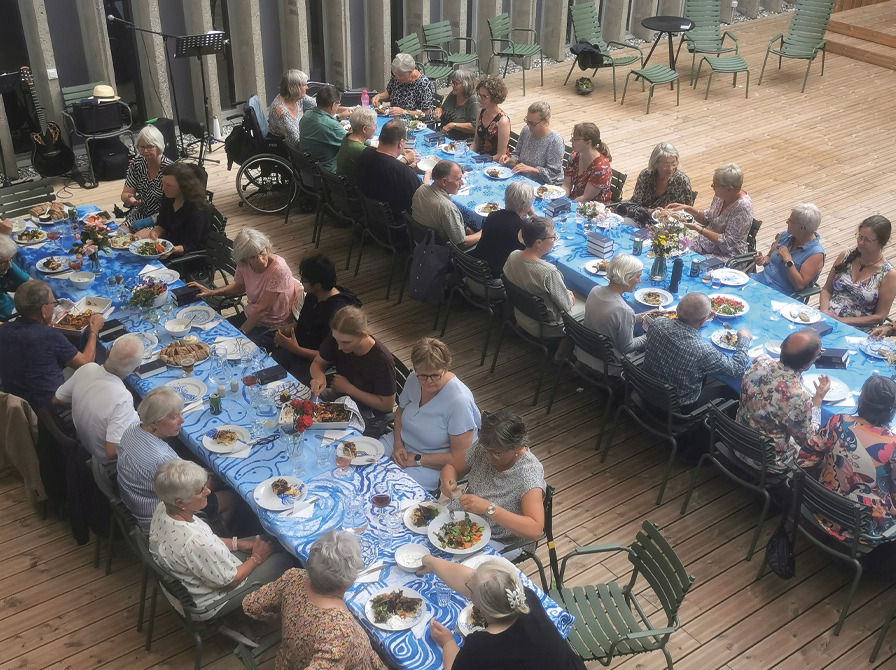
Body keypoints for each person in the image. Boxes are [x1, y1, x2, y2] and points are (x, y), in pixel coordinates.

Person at [149, 459, 291, 619]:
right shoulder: (195, 542)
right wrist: (257, 557)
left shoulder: (163, 508)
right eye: (200, 490)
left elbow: (208, 541)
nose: (208, 491)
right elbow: (232, 581)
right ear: (180, 502)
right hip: (209, 601)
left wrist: (239, 544)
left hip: (193, 580)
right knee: (287, 561)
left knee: (267, 540)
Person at [242, 529, 388, 670]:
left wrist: (285, 618)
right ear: (348, 579)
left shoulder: (294, 577)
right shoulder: (340, 631)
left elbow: (251, 604)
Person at [419, 556, 586, 670]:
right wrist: (432, 562)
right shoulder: (526, 597)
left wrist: (447, 642)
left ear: (483, 607)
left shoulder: (480, 646)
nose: (467, 587)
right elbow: (471, 580)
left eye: (470, 590)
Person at [117, 387, 235, 531]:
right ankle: (214, 534)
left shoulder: (132, 428)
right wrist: (213, 482)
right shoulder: (163, 459)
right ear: (155, 422)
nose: (182, 420)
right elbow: (189, 497)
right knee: (233, 496)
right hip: (160, 519)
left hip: (135, 500)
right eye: (173, 417)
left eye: (180, 413)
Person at [798, 375, 896, 539]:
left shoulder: (838, 421)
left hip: (821, 505)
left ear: (861, 401)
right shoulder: (892, 445)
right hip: (862, 530)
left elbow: (806, 455)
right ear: (891, 410)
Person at [382, 338, 480, 492]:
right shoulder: (414, 378)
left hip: (431, 462)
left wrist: (417, 459)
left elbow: (460, 459)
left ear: (446, 369)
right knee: (362, 461)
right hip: (401, 441)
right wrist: (398, 444)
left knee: (393, 490)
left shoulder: (459, 402)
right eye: (423, 376)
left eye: (435, 376)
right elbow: (400, 410)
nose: (428, 382)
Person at [439, 410, 544, 548]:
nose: (489, 456)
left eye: (497, 453)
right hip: (463, 520)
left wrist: (490, 509)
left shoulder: (529, 473)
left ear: (517, 448)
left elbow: (535, 530)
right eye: (487, 450)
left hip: (500, 539)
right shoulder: (486, 447)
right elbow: (451, 466)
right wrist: (447, 482)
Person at [0, 280, 104, 410]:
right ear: (43, 310)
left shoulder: (4, 330)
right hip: (50, 409)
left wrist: (51, 324)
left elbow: (30, 335)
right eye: (53, 303)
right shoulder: (49, 336)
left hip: (16, 403)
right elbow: (87, 364)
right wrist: (94, 330)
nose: (54, 306)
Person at [191, 228, 298, 351]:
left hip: (272, 325)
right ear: (244, 258)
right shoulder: (243, 264)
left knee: (231, 349)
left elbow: (262, 310)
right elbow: (240, 286)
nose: (260, 260)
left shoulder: (278, 269)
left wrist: (240, 333)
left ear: (266, 248)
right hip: (251, 315)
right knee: (210, 335)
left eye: (262, 252)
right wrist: (213, 292)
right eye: (253, 257)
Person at [737, 329, 830, 470]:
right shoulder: (798, 397)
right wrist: (818, 400)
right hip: (765, 461)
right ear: (807, 364)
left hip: (738, 441)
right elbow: (807, 440)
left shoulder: (760, 361)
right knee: (824, 449)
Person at [644, 292, 752, 412]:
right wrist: (744, 339)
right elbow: (736, 369)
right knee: (733, 392)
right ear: (703, 321)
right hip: (677, 410)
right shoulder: (701, 350)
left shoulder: (657, 323)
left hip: (646, 392)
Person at [53, 333, 144, 468]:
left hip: (84, 445)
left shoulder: (87, 368)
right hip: (107, 465)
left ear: (107, 354)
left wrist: (83, 403)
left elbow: (57, 400)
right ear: (136, 369)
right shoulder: (122, 398)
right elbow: (112, 453)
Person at [309, 306, 396, 437]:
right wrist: (319, 377)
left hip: (367, 412)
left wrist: (349, 389)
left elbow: (387, 405)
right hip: (342, 399)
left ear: (364, 335)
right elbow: (318, 363)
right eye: (336, 340)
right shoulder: (338, 338)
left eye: (346, 342)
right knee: (305, 413)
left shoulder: (381, 361)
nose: (339, 346)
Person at [274, 254, 362, 383]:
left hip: (314, 363)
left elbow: (331, 356)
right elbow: (305, 323)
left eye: (304, 279)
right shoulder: (313, 295)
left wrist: (294, 348)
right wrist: (287, 330)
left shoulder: (338, 313)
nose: (301, 281)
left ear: (318, 285)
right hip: (295, 351)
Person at [503, 216, 577, 338]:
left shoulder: (513, 256)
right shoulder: (549, 272)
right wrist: (568, 294)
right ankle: (563, 353)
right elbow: (567, 305)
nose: (554, 240)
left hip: (520, 314)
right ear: (538, 243)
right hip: (544, 326)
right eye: (552, 237)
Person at [819, 215, 896, 330]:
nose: (861, 242)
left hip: (855, 329)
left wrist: (841, 321)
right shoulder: (845, 256)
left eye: (867, 240)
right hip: (827, 317)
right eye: (860, 237)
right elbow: (826, 289)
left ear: (881, 242)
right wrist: (824, 311)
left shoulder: (888, 275)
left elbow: (880, 316)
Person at [580, 254, 649, 376]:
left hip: (587, 353)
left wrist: (643, 316)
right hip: (610, 366)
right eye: (638, 277)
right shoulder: (624, 310)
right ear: (626, 277)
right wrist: (649, 336)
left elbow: (613, 320)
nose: (640, 281)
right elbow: (627, 347)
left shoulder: (595, 290)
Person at [669, 163, 753, 260]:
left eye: (715, 184)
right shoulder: (721, 195)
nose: (712, 186)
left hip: (727, 255)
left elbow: (728, 242)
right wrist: (688, 208)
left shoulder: (743, 208)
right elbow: (709, 217)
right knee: (675, 253)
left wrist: (699, 229)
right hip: (706, 243)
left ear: (729, 189)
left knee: (694, 264)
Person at [135, 162, 211, 260]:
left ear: (184, 187)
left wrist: (174, 249)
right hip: (169, 245)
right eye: (163, 183)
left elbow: (193, 245)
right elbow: (162, 223)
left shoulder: (197, 210)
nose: (163, 188)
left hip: (188, 257)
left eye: (169, 185)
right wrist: (155, 232)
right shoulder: (169, 197)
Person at [356, 119, 426, 220]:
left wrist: (408, 167)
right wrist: (427, 175)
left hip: (370, 218)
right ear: (401, 143)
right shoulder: (402, 172)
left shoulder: (365, 153)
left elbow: (385, 173)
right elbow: (424, 198)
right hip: (398, 226)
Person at [753, 203, 825, 297]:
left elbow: (799, 285)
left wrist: (788, 261)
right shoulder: (786, 235)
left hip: (781, 295)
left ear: (802, 228)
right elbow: (769, 257)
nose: (787, 222)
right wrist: (762, 260)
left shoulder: (815, 254)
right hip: (759, 282)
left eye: (790, 221)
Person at [621, 142, 693, 226]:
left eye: (673, 163)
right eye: (666, 165)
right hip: (641, 220)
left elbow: (688, 212)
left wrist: (670, 215)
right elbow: (631, 206)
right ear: (655, 164)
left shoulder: (682, 181)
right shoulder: (645, 176)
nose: (670, 169)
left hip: (667, 227)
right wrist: (651, 212)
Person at [412, 160, 481, 248]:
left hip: (420, 241)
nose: (462, 183)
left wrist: (467, 229)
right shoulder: (447, 207)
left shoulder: (421, 190)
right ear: (444, 181)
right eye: (458, 179)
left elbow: (426, 184)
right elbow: (461, 243)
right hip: (438, 250)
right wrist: (483, 232)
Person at [469, 181, 531, 277]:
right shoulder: (521, 228)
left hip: (474, 270)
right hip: (494, 280)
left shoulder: (492, 215)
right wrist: (531, 214)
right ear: (525, 207)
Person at [120, 124, 172, 230]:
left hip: (162, 217)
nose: (145, 151)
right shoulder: (137, 163)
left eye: (150, 146)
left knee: (139, 240)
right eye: (142, 147)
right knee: (120, 234)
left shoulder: (170, 169)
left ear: (159, 146)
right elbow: (125, 194)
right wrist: (130, 199)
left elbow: (174, 207)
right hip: (142, 211)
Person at [499, 101, 564, 184]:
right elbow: (517, 154)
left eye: (533, 123)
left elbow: (553, 173)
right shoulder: (526, 130)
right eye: (527, 121)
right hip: (522, 179)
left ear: (545, 121)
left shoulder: (555, 140)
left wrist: (531, 169)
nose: (529, 126)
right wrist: (510, 160)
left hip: (542, 185)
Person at [298, 85, 346, 173]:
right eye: (338, 105)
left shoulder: (307, 115)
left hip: (308, 170)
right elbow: (351, 143)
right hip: (328, 174)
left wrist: (338, 119)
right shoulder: (332, 126)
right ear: (333, 105)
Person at [562, 122, 612, 203]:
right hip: (574, 201)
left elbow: (586, 198)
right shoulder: (574, 157)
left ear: (588, 142)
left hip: (592, 209)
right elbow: (566, 186)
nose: (571, 140)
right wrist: (558, 199)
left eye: (576, 139)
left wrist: (565, 205)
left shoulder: (601, 168)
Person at [267, 69, 316, 147]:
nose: (307, 87)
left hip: (302, 136)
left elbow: (319, 104)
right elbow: (296, 142)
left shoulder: (296, 97)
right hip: (287, 148)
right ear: (295, 88)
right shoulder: (282, 112)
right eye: (304, 85)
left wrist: (340, 110)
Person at [470, 76, 510, 162]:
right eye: (479, 95)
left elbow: (501, 155)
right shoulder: (480, 112)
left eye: (484, 96)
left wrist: (481, 160)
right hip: (479, 158)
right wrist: (468, 155)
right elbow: (476, 142)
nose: (480, 99)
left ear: (494, 97)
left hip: (494, 162)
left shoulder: (502, 121)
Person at [433, 69, 479, 140]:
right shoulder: (453, 94)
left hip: (460, 141)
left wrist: (453, 125)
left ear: (465, 85)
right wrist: (438, 110)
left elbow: (474, 127)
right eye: (452, 82)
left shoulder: (473, 100)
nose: (452, 85)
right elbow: (443, 108)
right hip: (443, 136)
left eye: (455, 83)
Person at [335, 106, 377, 183]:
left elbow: (372, 145)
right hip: (352, 190)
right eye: (375, 126)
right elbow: (385, 167)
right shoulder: (361, 150)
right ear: (364, 129)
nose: (376, 129)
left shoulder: (349, 135)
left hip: (340, 185)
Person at [0, 235, 29, 321]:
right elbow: (7, 315)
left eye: (10, 259)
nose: (9, 265)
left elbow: (28, 282)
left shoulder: (4, 260)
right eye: (4, 262)